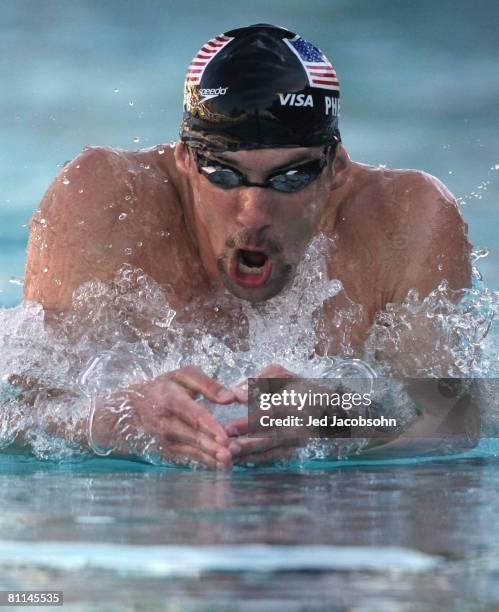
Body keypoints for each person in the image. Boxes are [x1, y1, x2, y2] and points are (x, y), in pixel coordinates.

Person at [23, 24, 472, 468]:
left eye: (290, 176)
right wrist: (116, 420)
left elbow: (460, 418)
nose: (254, 213)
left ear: (336, 168)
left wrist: (335, 416)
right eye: (223, 173)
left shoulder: (406, 219)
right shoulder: (102, 201)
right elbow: (18, 409)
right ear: (186, 159)